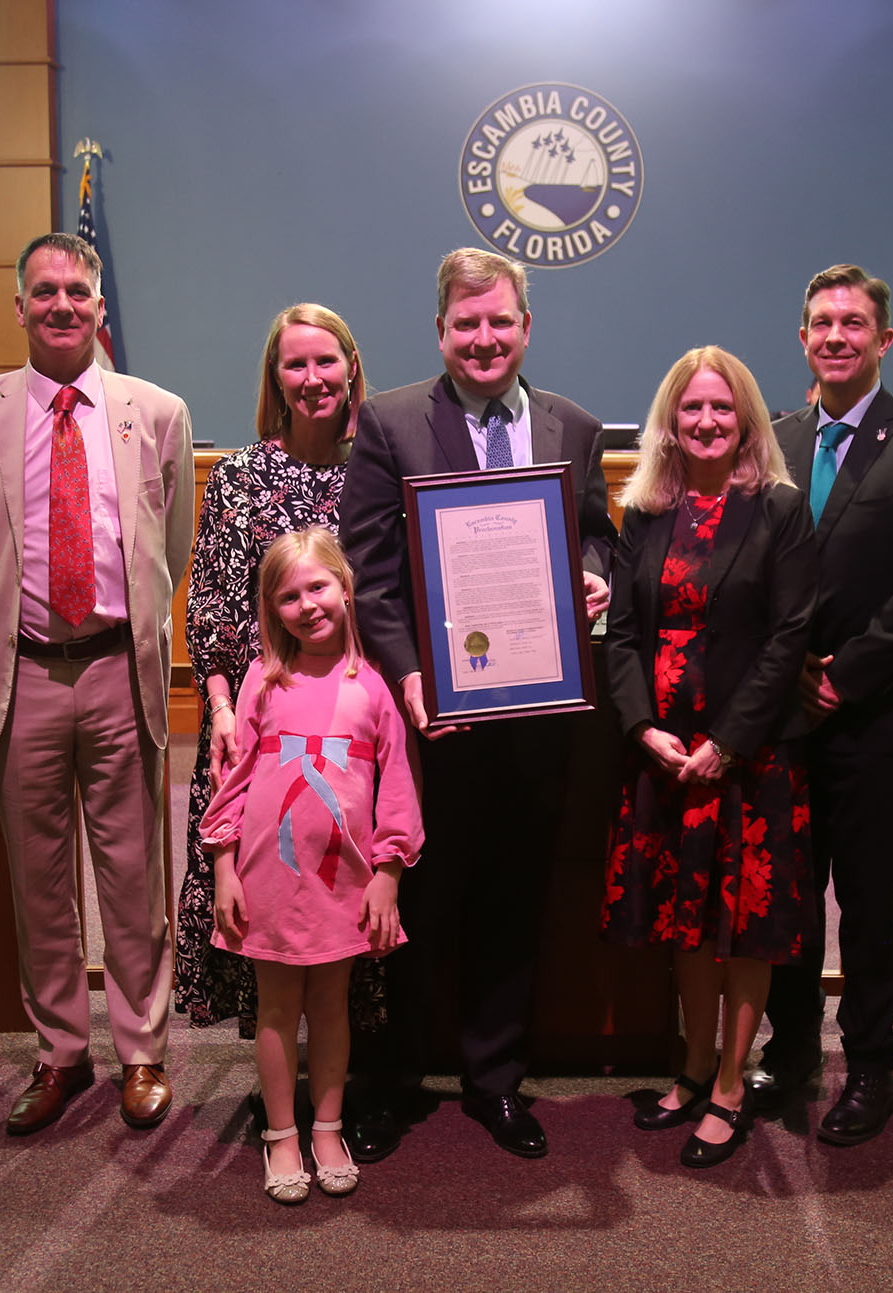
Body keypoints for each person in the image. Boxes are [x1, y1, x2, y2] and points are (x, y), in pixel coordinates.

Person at [339, 247, 616, 1160]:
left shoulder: (574, 427)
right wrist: (413, 675)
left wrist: (593, 578)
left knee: (513, 900)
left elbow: (597, 541)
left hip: (539, 721)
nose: (485, 339)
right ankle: (394, 1082)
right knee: (416, 904)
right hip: (431, 721)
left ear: (526, 327)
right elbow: (372, 576)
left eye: (501, 322)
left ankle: (496, 1082)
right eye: (468, 324)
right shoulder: (388, 423)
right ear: (441, 331)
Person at [0, 233, 195, 1137]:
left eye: (76, 291)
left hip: (121, 668)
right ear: (19, 305)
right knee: (38, 876)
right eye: (43, 291)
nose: (61, 305)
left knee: (133, 870)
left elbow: (174, 544)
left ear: (98, 306)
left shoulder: (156, 410)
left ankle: (142, 1050)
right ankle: (58, 1049)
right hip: (24, 672)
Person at [758, 263, 893, 1147]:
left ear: (883, 339)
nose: (836, 336)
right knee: (790, 896)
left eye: (853, 323)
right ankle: (794, 1049)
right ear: (803, 337)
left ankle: (872, 1068)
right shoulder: (774, 436)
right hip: (783, 719)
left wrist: (842, 672)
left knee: (871, 903)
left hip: (876, 714)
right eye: (821, 322)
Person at [602, 346, 817, 1169]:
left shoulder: (779, 511)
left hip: (749, 756)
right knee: (685, 918)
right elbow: (624, 631)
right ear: (670, 418)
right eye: (691, 408)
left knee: (745, 928)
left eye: (721, 408)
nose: (705, 422)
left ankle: (733, 1079)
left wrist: (729, 742)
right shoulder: (646, 512)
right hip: (665, 752)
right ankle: (693, 1065)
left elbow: (791, 633)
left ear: (747, 419)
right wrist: (641, 727)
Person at [175, 304, 384, 1044]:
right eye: (294, 364)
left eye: (326, 361)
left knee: (353, 885)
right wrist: (223, 706)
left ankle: (353, 1075)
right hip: (260, 723)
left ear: (351, 367)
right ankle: (277, 1070)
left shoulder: (380, 466)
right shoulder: (238, 476)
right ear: (275, 378)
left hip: (358, 722)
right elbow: (211, 601)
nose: (312, 378)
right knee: (270, 886)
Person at [200, 529, 422, 1203]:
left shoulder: (375, 689)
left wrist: (389, 874)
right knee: (275, 1008)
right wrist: (224, 869)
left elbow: (399, 790)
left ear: (346, 590)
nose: (307, 604)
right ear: (273, 609)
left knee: (331, 1006)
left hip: (343, 884)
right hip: (269, 880)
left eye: (317, 587)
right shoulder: (263, 684)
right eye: (289, 595)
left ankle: (327, 1126)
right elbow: (232, 786)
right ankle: (280, 1134)